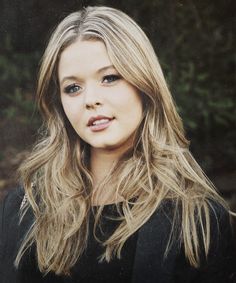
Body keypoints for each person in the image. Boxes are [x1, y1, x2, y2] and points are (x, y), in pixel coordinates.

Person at [0, 5, 235, 283]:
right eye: (73, 87)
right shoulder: (24, 210)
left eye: (109, 78)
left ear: (144, 85)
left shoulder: (200, 219)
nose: (90, 99)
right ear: (60, 104)